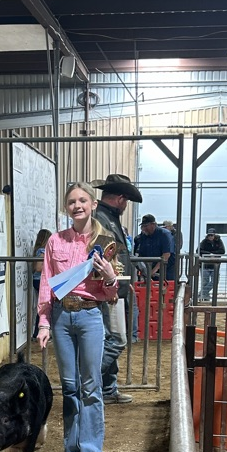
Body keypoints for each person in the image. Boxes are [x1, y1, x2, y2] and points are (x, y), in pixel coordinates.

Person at [37, 182, 120, 452]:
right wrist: (44, 321)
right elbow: (47, 282)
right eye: (71, 201)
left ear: (93, 204)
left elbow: (111, 295)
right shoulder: (55, 242)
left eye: (82, 200)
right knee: (70, 387)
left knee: (91, 386)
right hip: (61, 316)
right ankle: (70, 451)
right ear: (66, 207)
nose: (77, 205)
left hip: (89, 316)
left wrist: (110, 277)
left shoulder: (105, 242)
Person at [92, 173, 143, 404]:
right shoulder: (102, 220)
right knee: (115, 340)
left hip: (113, 287)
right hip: (107, 290)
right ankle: (90, 383)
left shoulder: (105, 218)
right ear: (121, 198)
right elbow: (104, 257)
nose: (126, 206)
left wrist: (124, 281)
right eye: (126, 201)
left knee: (112, 339)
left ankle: (106, 388)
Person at [135, 214, 174, 281]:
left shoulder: (164, 234)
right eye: (142, 226)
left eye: (146, 226)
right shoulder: (144, 236)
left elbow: (166, 255)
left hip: (166, 272)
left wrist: (153, 271)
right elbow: (141, 255)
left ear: (153, 224)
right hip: (150, 271)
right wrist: (143, 271)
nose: (144, 229)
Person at [31, 228, 52, 338]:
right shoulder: (42, 251)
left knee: (44, 306)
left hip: (39, 280)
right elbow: (39, 267)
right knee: (44, 306)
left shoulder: (40, 250)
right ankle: (37, 332)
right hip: (40, 280)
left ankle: (38, 332)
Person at [198, 227, 225, 302]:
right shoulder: (204, 241)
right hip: (205, 265)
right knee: (205, 282)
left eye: (212, 235)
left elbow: (222, 251)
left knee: (215, 281)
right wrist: (209, 254)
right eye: (209, 235)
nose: (210, 237)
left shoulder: (218, 241)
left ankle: (202, 293)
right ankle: (205, 296)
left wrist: (213, 254)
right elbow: (198, 250)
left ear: (214, 235)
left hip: (215, 265)